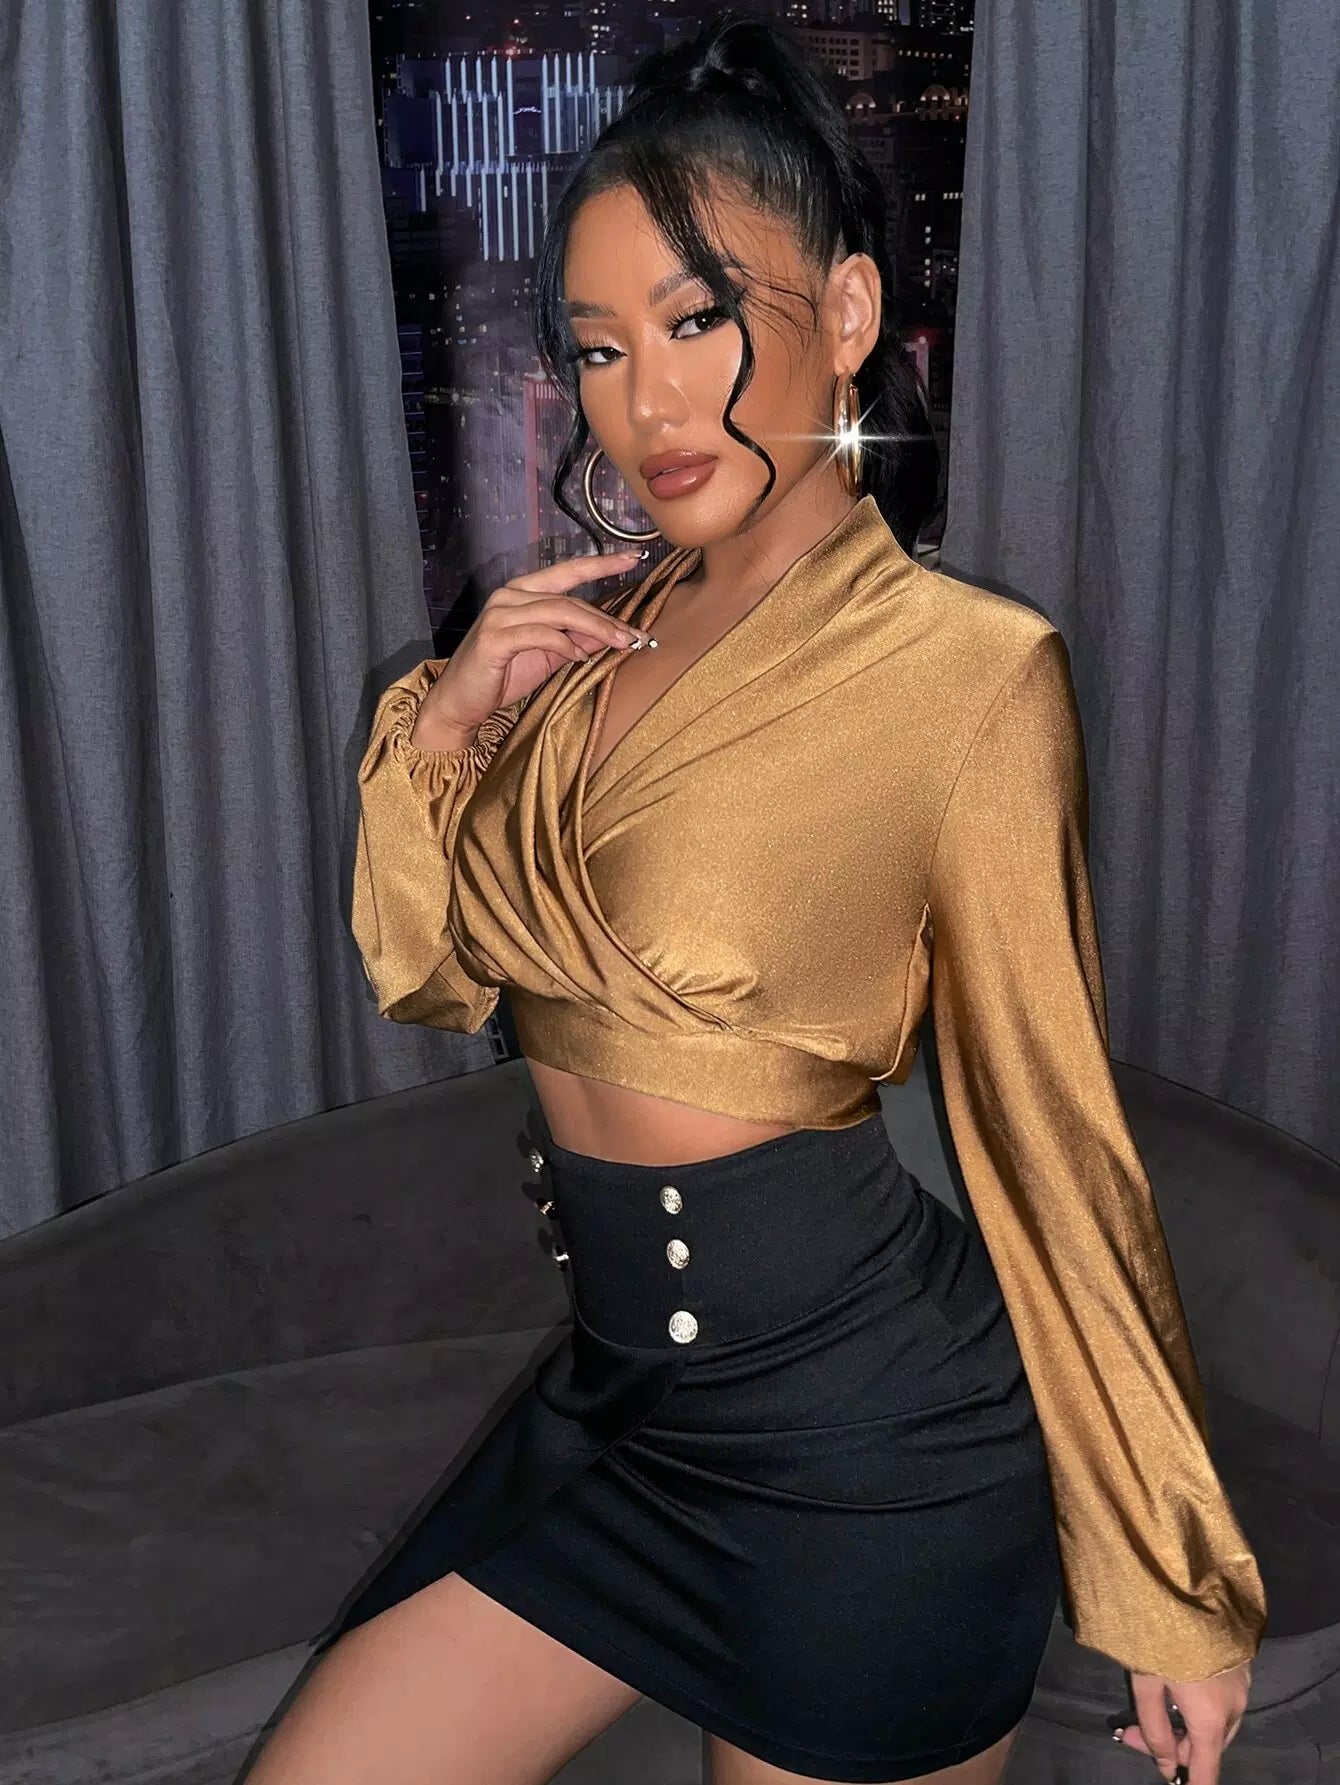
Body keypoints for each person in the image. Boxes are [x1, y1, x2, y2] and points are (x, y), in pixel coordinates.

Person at [243, 14, 1265, 1785]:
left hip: (871, 1458)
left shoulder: (965, 674)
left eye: (698, 319)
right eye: (598, 347)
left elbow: (1051, 1133)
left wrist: (1170, 1578)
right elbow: (434, 974)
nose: (644, 403)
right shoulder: (586, 641)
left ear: (847, 313)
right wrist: (447, 732)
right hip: (617, 1418)